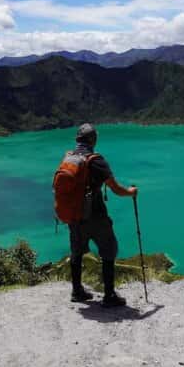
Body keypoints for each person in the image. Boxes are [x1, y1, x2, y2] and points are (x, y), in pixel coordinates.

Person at [67, 123, 137, 307]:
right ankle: (109, 295)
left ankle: (77, 291)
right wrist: (131, 192)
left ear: (77, 140)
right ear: (93, 140)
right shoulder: (95, 161)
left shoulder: (69, 158)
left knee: (76, 252)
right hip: (95, 216)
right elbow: (115, 188)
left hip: (74, 215)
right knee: (108, 250)